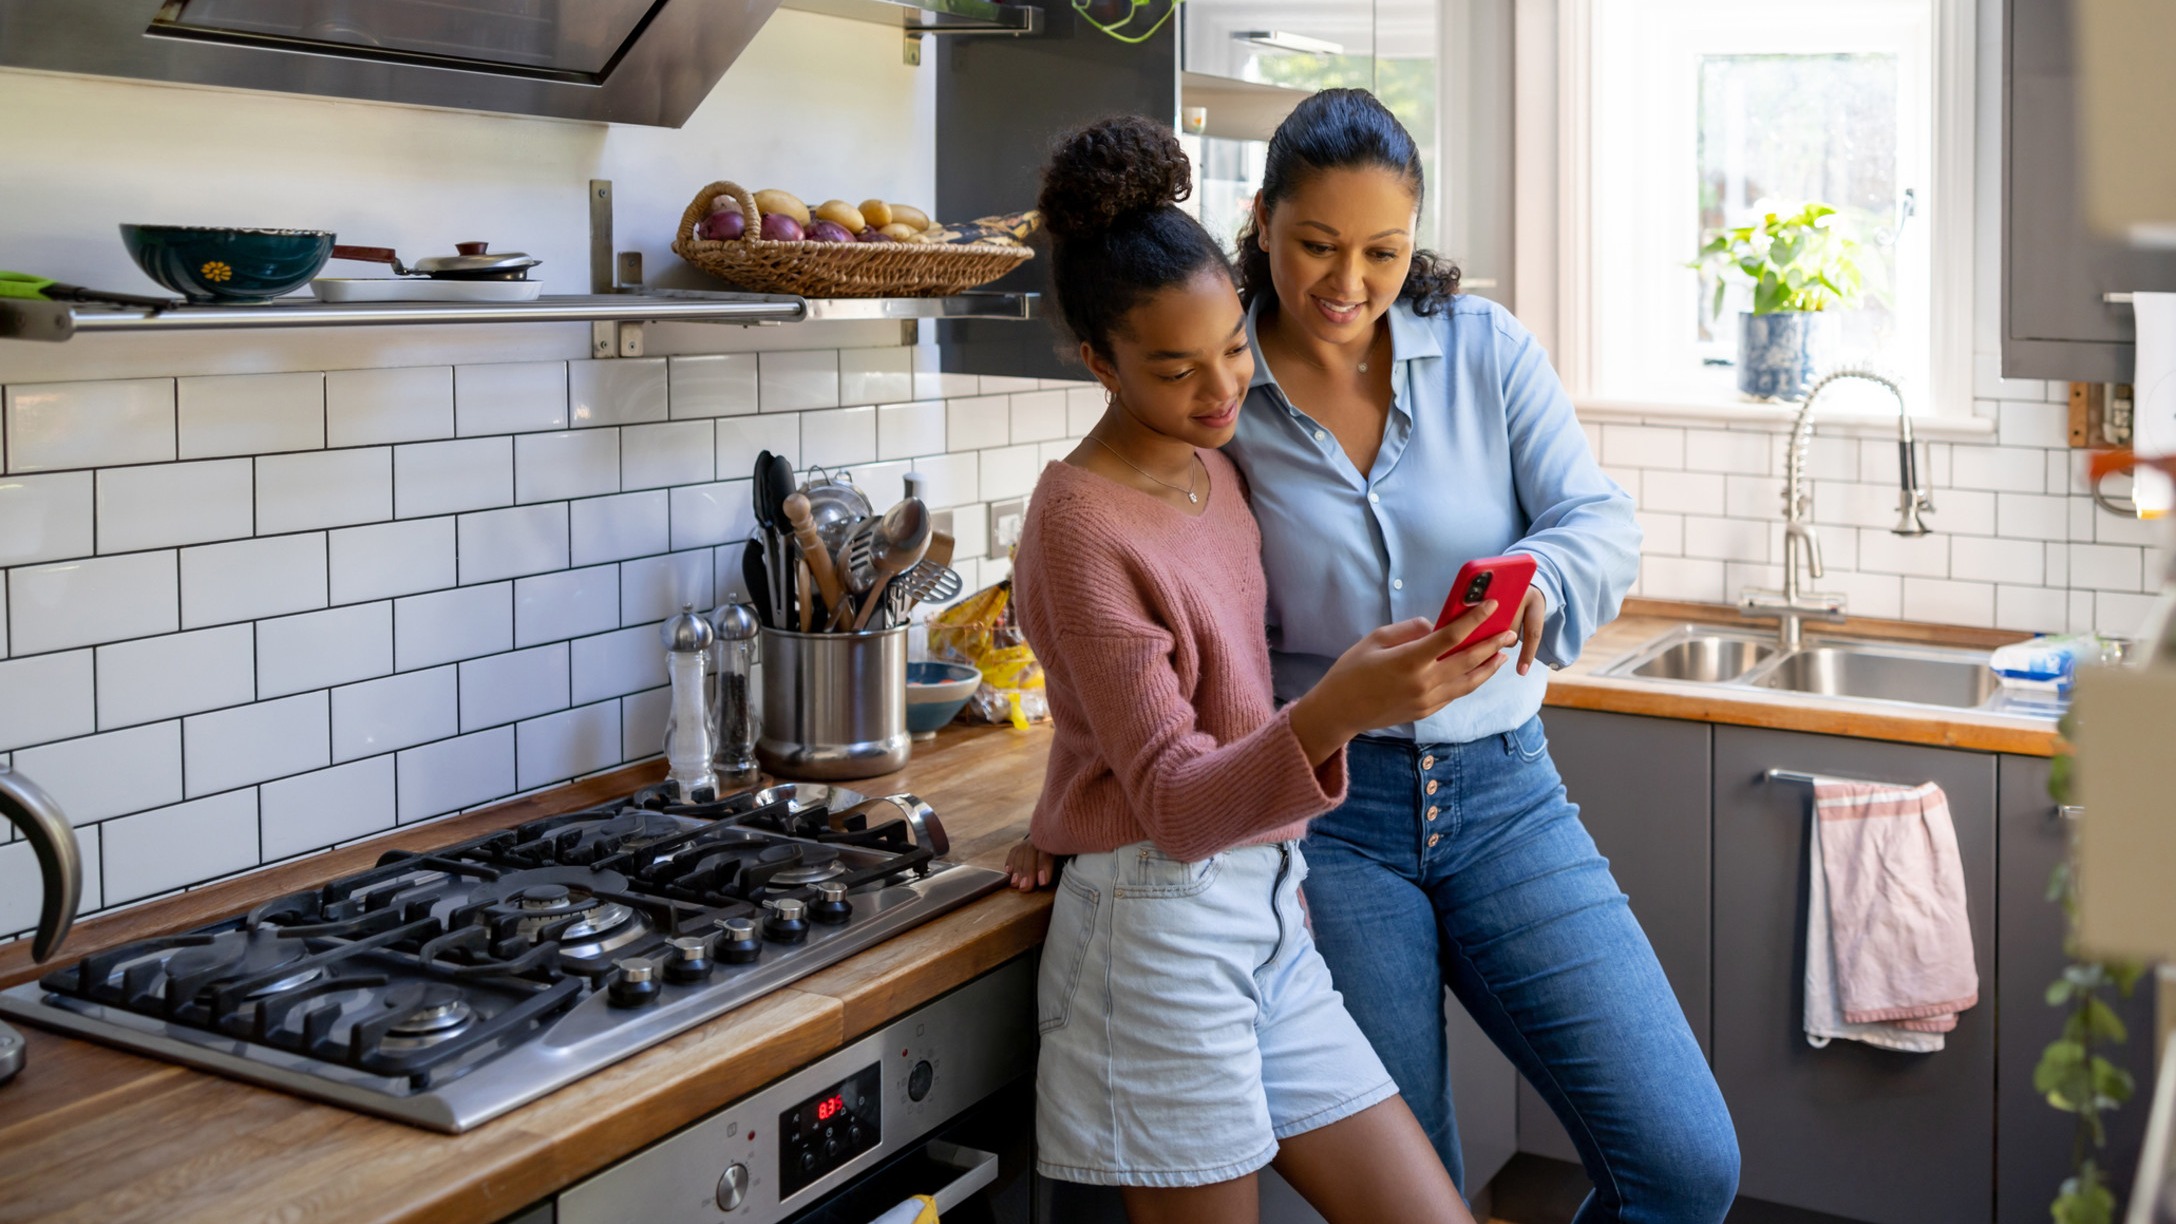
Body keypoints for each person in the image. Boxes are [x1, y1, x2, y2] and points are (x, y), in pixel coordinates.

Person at [1224, 88, 1740, 1223]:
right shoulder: (1219, 394)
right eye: (1315, 244)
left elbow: (1596, 519)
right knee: (1410, 1202)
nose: (1348, 283)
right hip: (1330, 826)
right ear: (1260, 221)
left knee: (1686, 1165)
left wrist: (1541, 585)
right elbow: (1183, 617)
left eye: (1382, 251)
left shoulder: (1484, 350)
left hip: (1508, 797)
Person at [1000, 114, 1501, 1224]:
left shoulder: (1209, 469)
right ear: (1099, 362)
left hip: (1268, 910)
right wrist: (1335, 711)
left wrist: (1071, 789)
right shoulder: (1080, 521)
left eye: (1232, 347)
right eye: (1175, 370)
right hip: (1159, 935)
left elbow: (1165, 710)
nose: (1222, 389)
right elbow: (1174, 803)